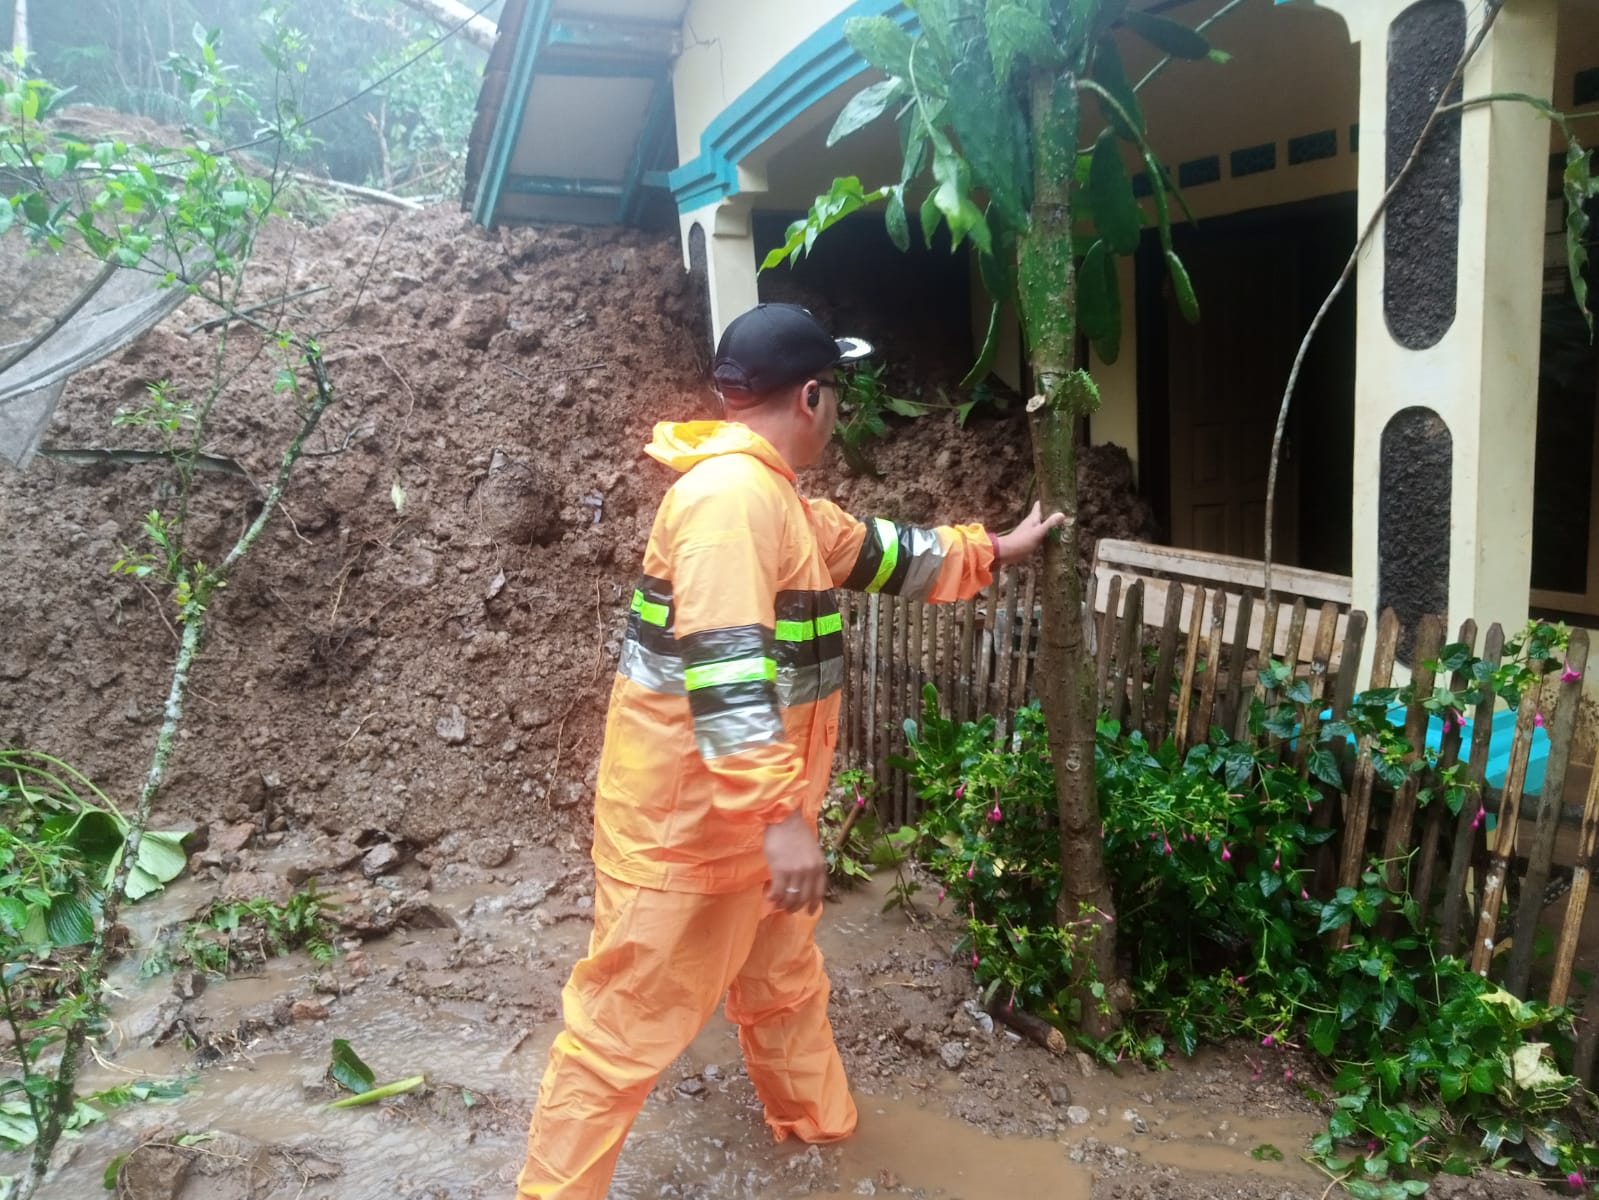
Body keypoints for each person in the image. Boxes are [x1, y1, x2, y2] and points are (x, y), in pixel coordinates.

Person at [515, 302, 1064, 1198]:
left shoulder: (773, 500)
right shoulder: (730, 504)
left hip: (750, 824)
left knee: (783, 988)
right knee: (619, 1032)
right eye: (835, 396)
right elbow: (727, 669)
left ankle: (818, 1145)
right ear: (811, 395)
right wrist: (779, 819)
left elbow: (878, 551)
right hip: (688, 833)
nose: (837, 413)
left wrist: (995, 548)